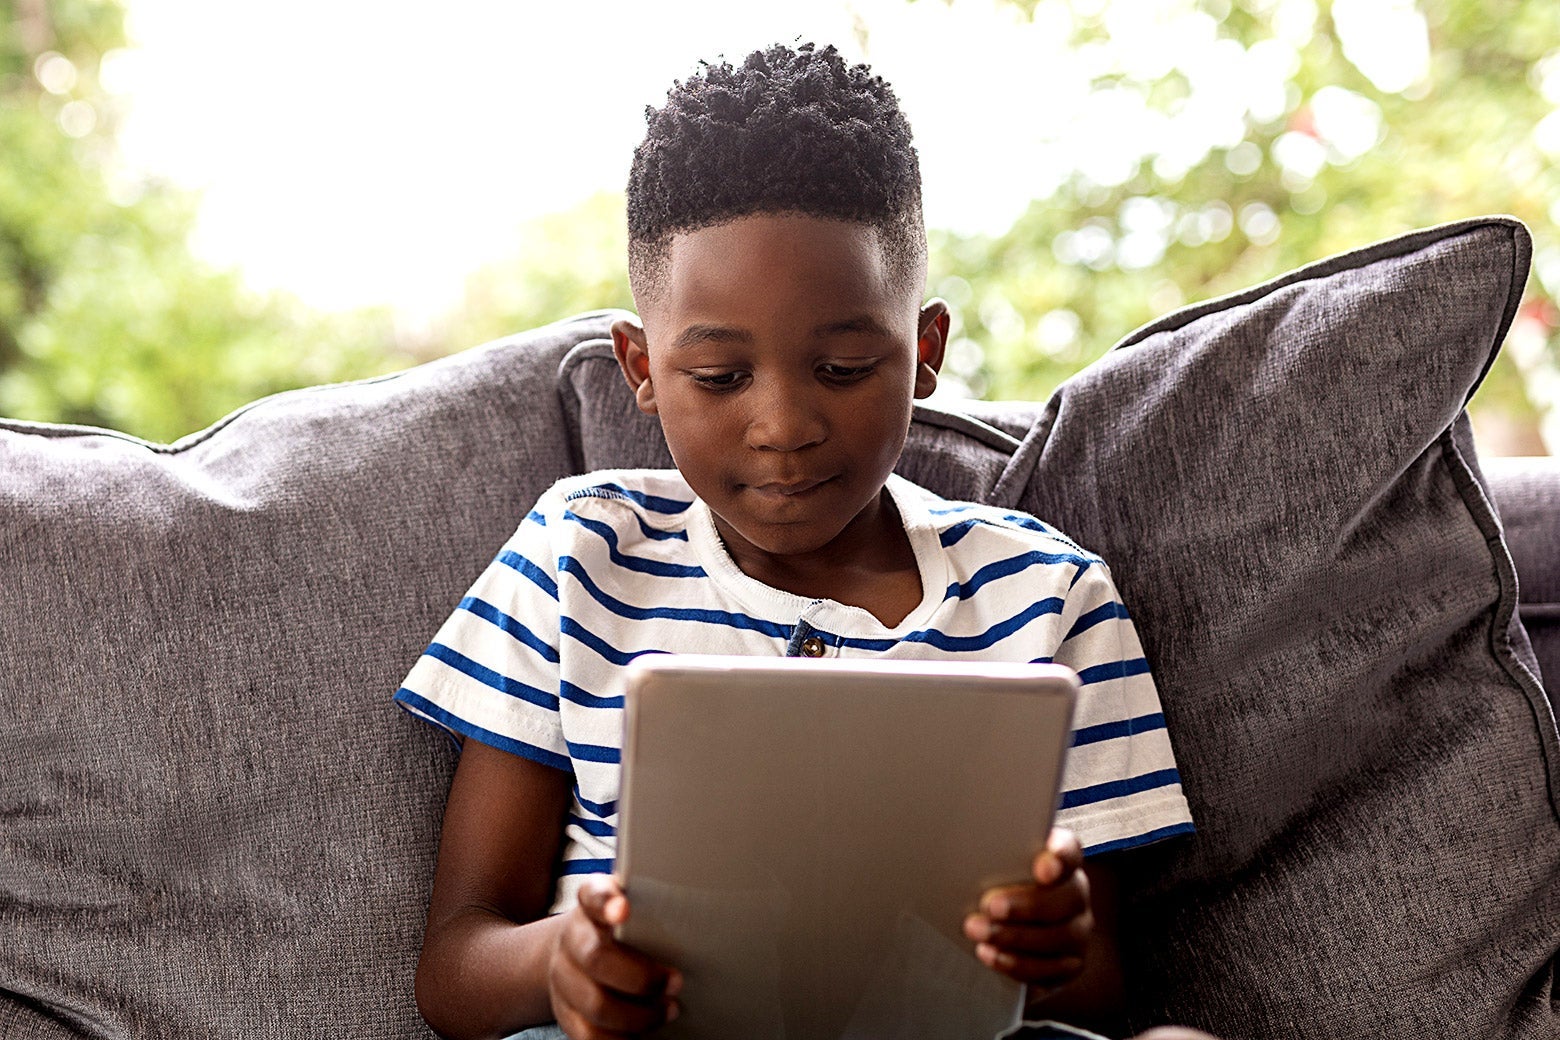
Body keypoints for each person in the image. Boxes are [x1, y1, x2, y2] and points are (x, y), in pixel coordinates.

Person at [395, 41, 1195, 1040]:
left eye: (847, 365)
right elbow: (456, 961)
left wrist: (1054, 945)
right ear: (642, 369)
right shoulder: (580, 556)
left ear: (927, 352)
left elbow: (1100, 983)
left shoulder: (1047, 595)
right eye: (722, 377)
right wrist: (562, 961)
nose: (784, 424)